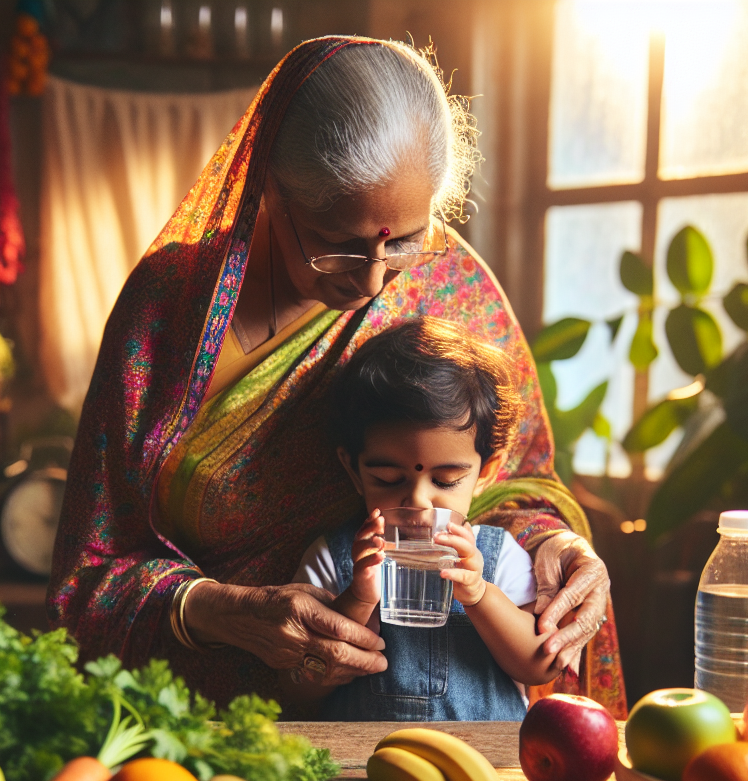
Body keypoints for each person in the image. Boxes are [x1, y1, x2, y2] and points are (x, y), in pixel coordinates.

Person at [49, 36, 627, 719]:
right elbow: (91, 574)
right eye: (340, 245)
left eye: (405, 240)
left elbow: (513, 485)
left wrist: (556, 546)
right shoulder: (168, 312)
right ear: (270, 189)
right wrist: (213, 609)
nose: (377, 277)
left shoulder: (450, 289)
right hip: (209, 722)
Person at [292, 317, 560, 721]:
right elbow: (300, 690)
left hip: (488, 769)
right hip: (361, 766)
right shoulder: (332, 559)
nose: (418, 500)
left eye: (446, 480)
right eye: (388, 479)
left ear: (485, 472)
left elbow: (539, 666)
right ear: (353, 470)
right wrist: (358, 599)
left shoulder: (499, 555)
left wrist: (478, 594)